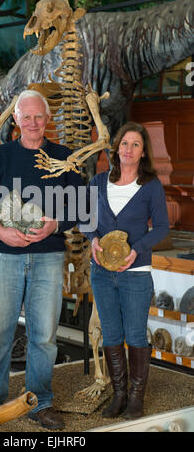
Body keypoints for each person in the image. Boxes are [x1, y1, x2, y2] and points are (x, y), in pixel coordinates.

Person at [0, 89, 83, 430]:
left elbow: (80, 206)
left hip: (48, 258)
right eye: (26, 116)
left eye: (39, 116)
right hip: (4, 256)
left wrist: (55, 225)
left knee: (45, 335)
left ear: (47, 119)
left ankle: (39, 402)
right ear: (15, 120)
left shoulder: (65, 157)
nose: (33, 122)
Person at [82, 122, 169, 420]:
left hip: (136, 272)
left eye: (135, 145)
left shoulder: (151, 186)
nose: (128, 149)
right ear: (116, 148)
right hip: (102, 273)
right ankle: (118, 394)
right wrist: (92, 238)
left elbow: (161, 227)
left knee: (135, 335)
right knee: (111, 334)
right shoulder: (96, 183)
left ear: (143, 152)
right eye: (124, 144)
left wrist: (137, 248)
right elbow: (84, 219)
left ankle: (135, 399)